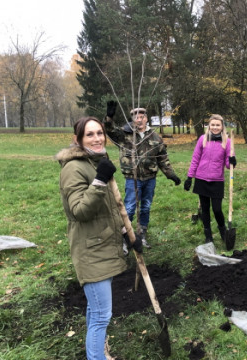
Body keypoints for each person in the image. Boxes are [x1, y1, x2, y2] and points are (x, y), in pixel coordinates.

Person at [56, 116, 142, 360]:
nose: (97, 138)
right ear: (77, 140)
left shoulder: (96, 161)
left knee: (97, 311)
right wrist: (100, 180)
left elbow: (112, 209)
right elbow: (80, 211)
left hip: (102, 244)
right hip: (90, 249)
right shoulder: (74, 168)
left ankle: (97, 352)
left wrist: (128, 235)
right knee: (102, 315)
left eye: (100, 133)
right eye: (89, 134)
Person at [103, 101, 181, 249]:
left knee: (145, 207)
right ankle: (125, 237)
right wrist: (109, 117)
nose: (139, 119)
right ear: (132, 119)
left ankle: (141, 234)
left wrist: (171, 175)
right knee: (130, 208)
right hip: (132, 179)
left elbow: (162, 158)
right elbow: (110, 130)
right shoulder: (125, 134)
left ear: (146, 118)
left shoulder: (155, 137)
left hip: (150, 179)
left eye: (142, 116)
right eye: (136, 116)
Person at [184, 114, 237, 243]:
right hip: (201, 179)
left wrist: (232, 161)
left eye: (217, 125)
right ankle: (208, 236)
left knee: (217, 209)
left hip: (217, 180)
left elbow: (228, 164)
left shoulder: (227, 141)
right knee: (205, 209)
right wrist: (190, 177)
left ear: (222, 126)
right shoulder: (203, 139)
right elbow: (195, 159)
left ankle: (223, 232)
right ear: (209, 126)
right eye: (212, 125)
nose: (215, 127)